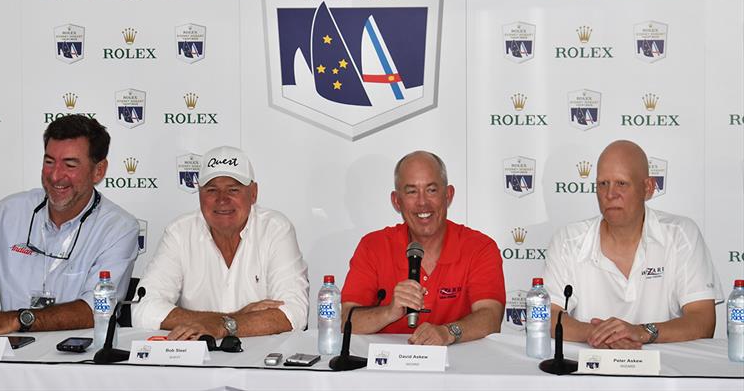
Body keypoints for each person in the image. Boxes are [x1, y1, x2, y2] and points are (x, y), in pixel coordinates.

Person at [0, 115, 139, 335]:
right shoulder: (8, 213)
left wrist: (17, 319)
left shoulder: (119, 228)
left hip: (81, 359)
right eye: (49, 162)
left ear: (99, 170)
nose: (55, 175)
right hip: (11, 356)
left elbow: (95, 308)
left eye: (70, 164)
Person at [544, 140, 723, 348]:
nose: (610, 194)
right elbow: (547, 316)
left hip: (664, 372)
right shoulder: (568, 240)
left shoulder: (681, 234)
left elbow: (703, 320)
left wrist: (640, 332)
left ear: (648, 188)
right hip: (588, 370)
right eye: (603, 184)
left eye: (621, 183)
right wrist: (597, 334)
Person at [132, 146, 309, 340]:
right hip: (195, 361)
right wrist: (233, 320)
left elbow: (294, 314)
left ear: (253, 193)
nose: (222, 199)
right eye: (211, 190)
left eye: (233, 190)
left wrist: (220, 326)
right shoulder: (179, 232)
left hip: (263, 363)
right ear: (199, 193)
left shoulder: (275, 229)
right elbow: (143, 309)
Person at [340, 151, 505, 345]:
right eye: (411, 191)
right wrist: (389, 312)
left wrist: (448, 332)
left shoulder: (479, 247)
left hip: (459, 369)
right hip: (387, 368)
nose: (422, 202)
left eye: (431, 190)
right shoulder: (373, 246)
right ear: (396, 201)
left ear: (448, 195)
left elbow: (491, 318)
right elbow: (346, 321)